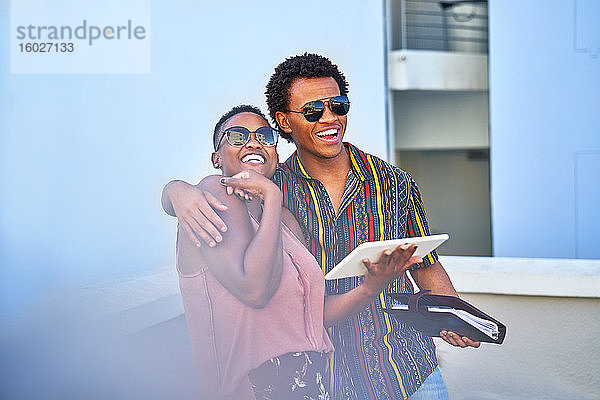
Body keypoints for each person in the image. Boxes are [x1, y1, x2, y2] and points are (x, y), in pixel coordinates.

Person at [163, 54, 480, 400]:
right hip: (329, 381)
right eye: (314, 110)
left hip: (408, 370)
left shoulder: (394, 181)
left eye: (338, 106)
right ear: (284, 122)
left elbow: (426, 262)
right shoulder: (271, 187)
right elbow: (216, 197)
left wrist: (454, 315)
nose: (330, 118)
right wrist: (174, 191)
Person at [175, 104, 423, 400]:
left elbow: (312, 315)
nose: (253, 142)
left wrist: (370, 289)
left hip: (312, 385)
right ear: (216, 158)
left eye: (265, 136)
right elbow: (254, 290)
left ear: (276, 157)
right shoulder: (211, 194)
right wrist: (174, 190)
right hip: (250, 389)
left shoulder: (283, 219)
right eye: (238, 136)